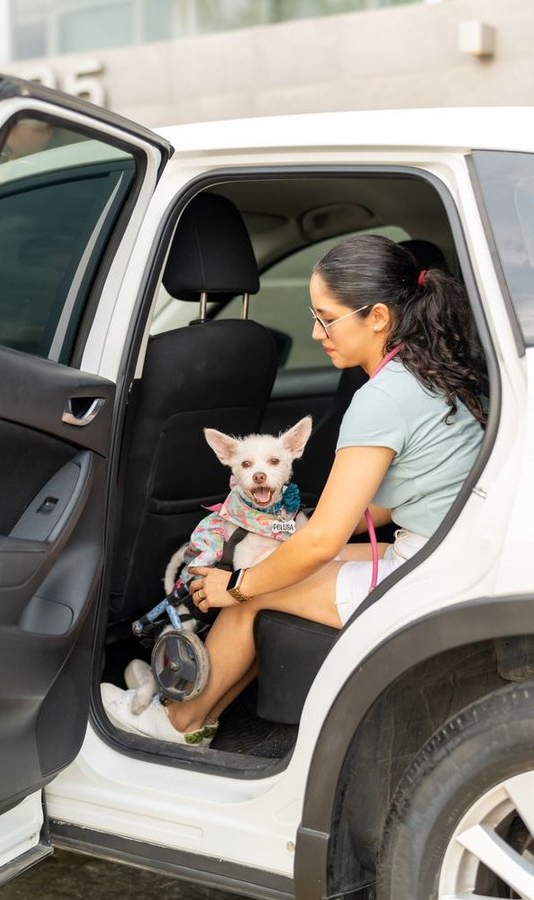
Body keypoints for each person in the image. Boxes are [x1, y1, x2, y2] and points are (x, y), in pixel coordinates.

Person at [102, 234, 488, 745]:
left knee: (255, 588)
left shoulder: (382, 398)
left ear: (376, 317)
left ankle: (176, 722)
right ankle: (202, 717)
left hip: (427, 572)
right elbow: (376, 507)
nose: (315, 331)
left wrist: (237, 584)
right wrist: (289, 537)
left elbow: (326, 540)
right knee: (275, 565)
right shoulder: (435, 373)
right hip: (450, 553)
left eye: (326, 318)